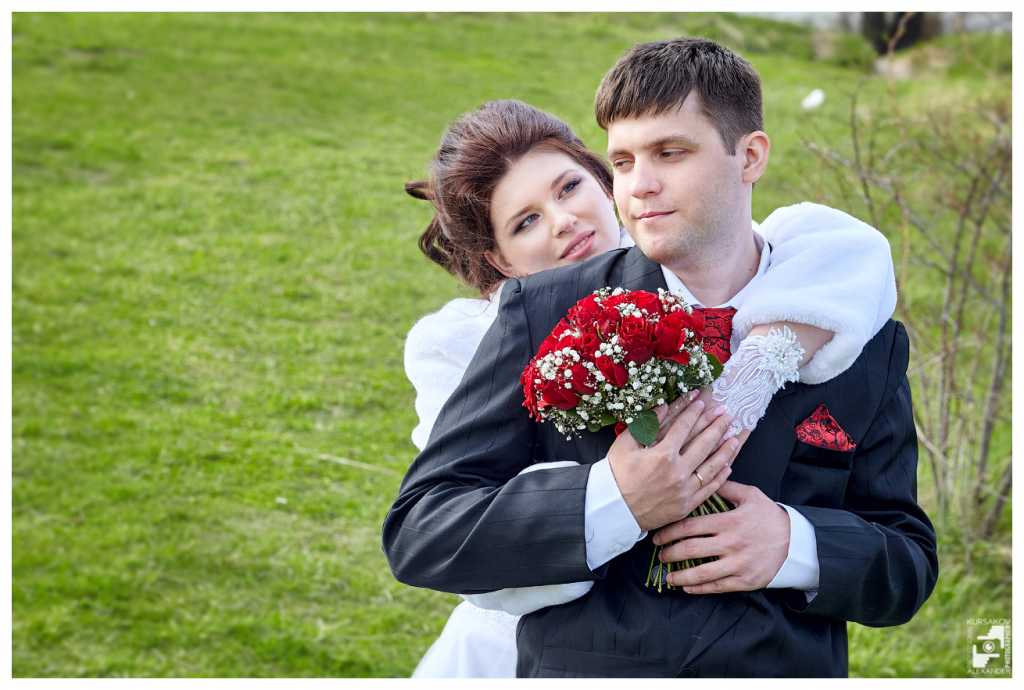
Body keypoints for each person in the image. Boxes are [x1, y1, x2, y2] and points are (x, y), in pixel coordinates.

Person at [387, 39, 937, 678]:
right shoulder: (540, 311)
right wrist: (614, 498)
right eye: (623, 161)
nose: (641, 185)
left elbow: (908, 561)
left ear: (750, 156)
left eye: (671, 153)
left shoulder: (856, 330)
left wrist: (796, 545)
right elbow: (423, 529)